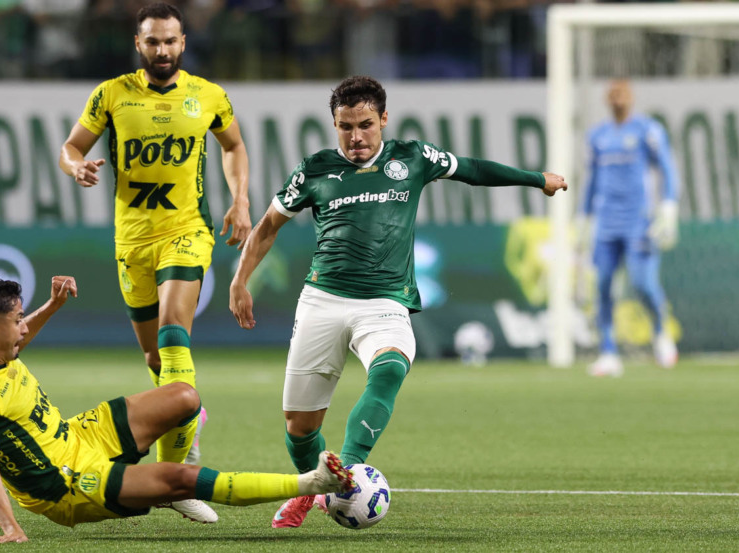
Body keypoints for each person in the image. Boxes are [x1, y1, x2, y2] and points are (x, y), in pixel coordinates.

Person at [229, 75, 567, 528]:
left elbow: (472, 169)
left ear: (383, 119)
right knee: (299, 427)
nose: (355, 137)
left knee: (390, 366)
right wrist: (239, 281)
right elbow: (268, 226)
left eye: (365, 125)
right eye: (345, 127)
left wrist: (536, 180)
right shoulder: (314, 169)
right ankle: (311, 488)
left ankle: (344, 473)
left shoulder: (413, 158)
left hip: (385, 302)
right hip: (322, 301)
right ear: (334, 125)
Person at [0, 275, 353, 543]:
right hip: (66, 483)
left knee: (184, 397)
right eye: (17, 319)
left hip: (76, 435)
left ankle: (170, 490)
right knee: (184, 477)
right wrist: (11, 528)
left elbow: (16, 344)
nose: (23, 327)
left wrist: (52, 305)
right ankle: (312, 484)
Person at [58, 1, 252, 521]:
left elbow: (233, 147)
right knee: (154, 361)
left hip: (186, 231)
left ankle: (180, 474)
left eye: (170, 41)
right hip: (131, 242)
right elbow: (70, 146)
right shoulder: (112, 94)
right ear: (138, 45)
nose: (162, 49)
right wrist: (75, 167)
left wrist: (240, 199)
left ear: (183, 43)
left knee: (173, 332)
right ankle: (190, 419)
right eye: (152, 41)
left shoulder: (207, 95)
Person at [580, 79, 679, 378]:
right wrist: (583, 218)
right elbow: (592, 180)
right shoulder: (598, 136)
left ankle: (661, 333)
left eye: (622, 94)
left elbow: (668, 168)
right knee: (603, 286)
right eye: (613, 95)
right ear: (607, 100)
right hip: (607, 223)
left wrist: (668, 207)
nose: (618, 100)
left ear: (631, 98)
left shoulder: (647, 131)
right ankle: (608, 352)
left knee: (643, 284)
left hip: (639, 221)